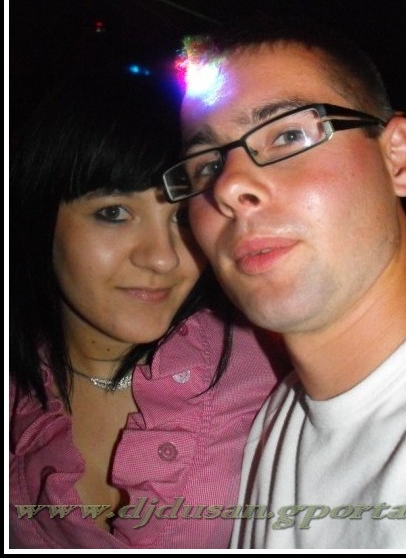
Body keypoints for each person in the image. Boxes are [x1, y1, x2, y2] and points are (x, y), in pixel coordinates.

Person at [162, 19, 406, 549]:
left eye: (289, 135)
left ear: (400, 159)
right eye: (206, 165)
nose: (228, 187)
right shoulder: (278, 420)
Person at [9, 70, 287, 549]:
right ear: (39, 218)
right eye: (114, 213)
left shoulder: (271, 364)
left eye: (183, 216)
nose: (162, 258)